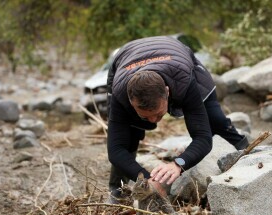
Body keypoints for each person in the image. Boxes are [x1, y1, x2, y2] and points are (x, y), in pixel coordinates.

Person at [106, 35, 248, 203]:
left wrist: (178, 164)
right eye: (145, 116)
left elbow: (202, 138)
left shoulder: (183, 81)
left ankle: (247, 153)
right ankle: (118, 191)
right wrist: (145, 179)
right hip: (124, 62)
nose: (153, 121)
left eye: (159, 114)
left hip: (177, 62)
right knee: (128, 138)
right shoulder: (120, 93)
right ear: (130, 102)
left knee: (216, 121)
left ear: (167, 92)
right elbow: (115, 151)